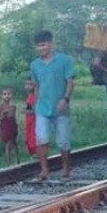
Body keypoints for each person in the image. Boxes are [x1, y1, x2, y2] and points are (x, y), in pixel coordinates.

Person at [29, 30, 76, 182]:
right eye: (38, 46)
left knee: (63, 140)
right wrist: (35, 104)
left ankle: (66, 169)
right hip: (42, 107)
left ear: (50, 44)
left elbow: (70, 81)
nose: (41, 48)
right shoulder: (35, 65)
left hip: (60, 107)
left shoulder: (64, 60)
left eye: (43, 45)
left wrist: (65, 99)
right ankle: (44, 170)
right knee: (41, 139)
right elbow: (36, 85)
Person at [0, 87, 20, 165]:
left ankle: (17, 160)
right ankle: (8, 162)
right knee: (8, 144)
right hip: (5, 125)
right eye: (5, 94)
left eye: (9, 94)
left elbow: (13, 115)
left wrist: (15, 124)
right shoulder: (0, 105)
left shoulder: (13, 105)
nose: (7, 96)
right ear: (1, 96)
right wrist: (1, 117)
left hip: (12, 124)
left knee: (15, 142)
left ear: (12, 95)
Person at [23, 77, 37, 157]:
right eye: (27, 84)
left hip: (34, 120)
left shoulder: (36, 96)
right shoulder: (29, 95)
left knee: (33, 138)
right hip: (29, 120)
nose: (28, 86)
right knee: (28, 138)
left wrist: (25, 111)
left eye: (30, 84)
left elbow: (34, 111)